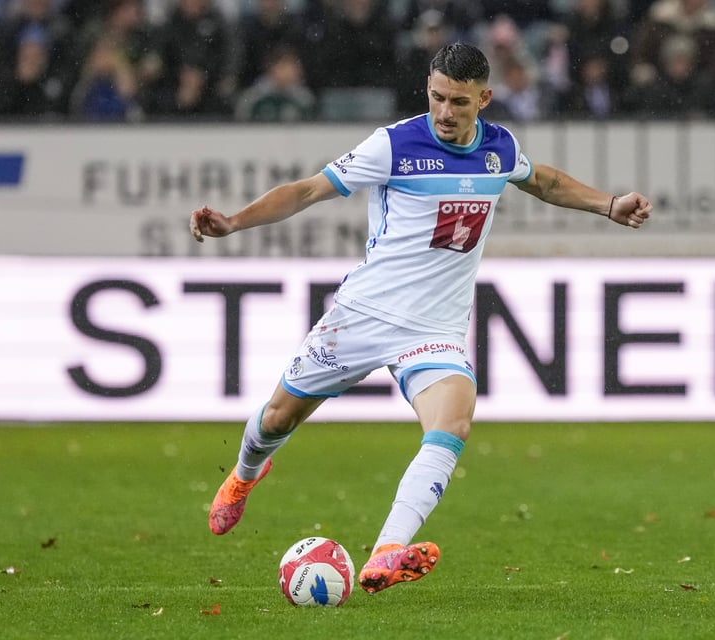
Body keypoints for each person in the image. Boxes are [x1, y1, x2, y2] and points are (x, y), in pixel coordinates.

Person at [189, 42, 652, 596]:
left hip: (434, 331)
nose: (444, 112)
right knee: (276, 419)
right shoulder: (393, 145)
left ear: (484, 98)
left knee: (453, 423)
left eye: (459, 102)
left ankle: (387, 551)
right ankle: (244, 476)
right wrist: (234, 223)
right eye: (437, 97)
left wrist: (608, 204)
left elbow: (544, 182)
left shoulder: (499, 148)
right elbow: (308, 190)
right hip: (363, 315)